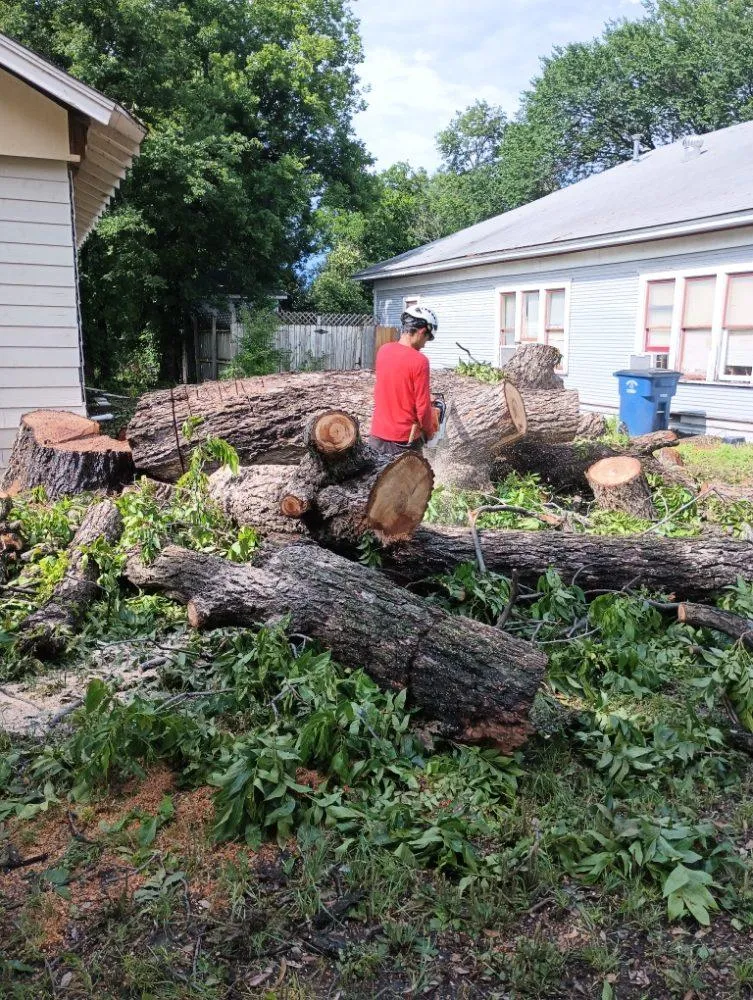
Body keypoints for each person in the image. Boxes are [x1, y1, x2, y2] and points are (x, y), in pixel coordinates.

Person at [369, 305, 438, 457]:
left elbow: (395, 387)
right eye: (427, 338)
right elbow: (422, 409)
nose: (425, 343)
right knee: (413, 481)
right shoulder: (420, 361)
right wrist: (430, 431)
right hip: (403, 442)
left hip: (376, 437)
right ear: (421, 331)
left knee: (375, 480)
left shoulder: (383, 350)